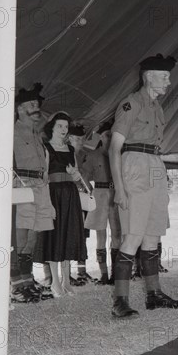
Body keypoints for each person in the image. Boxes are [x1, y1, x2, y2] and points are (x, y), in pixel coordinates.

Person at [109, 53, 178, 318]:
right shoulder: (131, 104)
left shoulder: (157, 107)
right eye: (164, 76)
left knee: (153, 234)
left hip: (155, 164)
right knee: (132, 236)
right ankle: (120, 301)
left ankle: (154, 294)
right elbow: (114, 148)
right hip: (134, 165)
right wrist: (119, 188)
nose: (168, 81)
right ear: (149, 77)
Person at [12, 83, 56, 303]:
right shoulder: (11, 131)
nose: (36, 109)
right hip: (23, 184)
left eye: (37, 105)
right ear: (19, 109)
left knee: (33, 237)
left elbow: (46, 118)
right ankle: (16, 285)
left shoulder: (36, 133)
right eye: (31, 105)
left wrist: (35, 105)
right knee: (21, 237)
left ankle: (27, 280)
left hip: (40, 185)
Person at [35, 112, 87, 296]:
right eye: (60, 126)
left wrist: (75, 174)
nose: (64, 130)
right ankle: (55, 283)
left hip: (70, 194)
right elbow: (44, 176)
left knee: (68, 235)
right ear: (52, 127)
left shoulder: (71, 150)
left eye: (66, 127)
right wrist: (46, 202)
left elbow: (76, 174)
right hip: (53, 194)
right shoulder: (46, 148)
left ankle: (67, 281)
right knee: (54, 237)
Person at [81, 120, 121, 284]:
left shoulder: (119, 154)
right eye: (105, 135)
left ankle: (116, 274)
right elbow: (83, 175)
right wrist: (90, 191)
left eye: (111, 135)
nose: (108, 138)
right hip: (99, 194)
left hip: (115, 195)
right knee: (101, 235)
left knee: (117, 234)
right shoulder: (92, 155)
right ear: (100, 136)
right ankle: (104, 274)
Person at [68, 122, 95, 285]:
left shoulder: (86, 155)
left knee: (83, 235)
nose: (80, 141)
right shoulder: (64, 154)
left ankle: (82, 271)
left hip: (83, 198)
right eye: (77, 138)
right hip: (69, 197)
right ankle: (66, 273)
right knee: (69, 235)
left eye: (82, 138)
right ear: (68, 138)